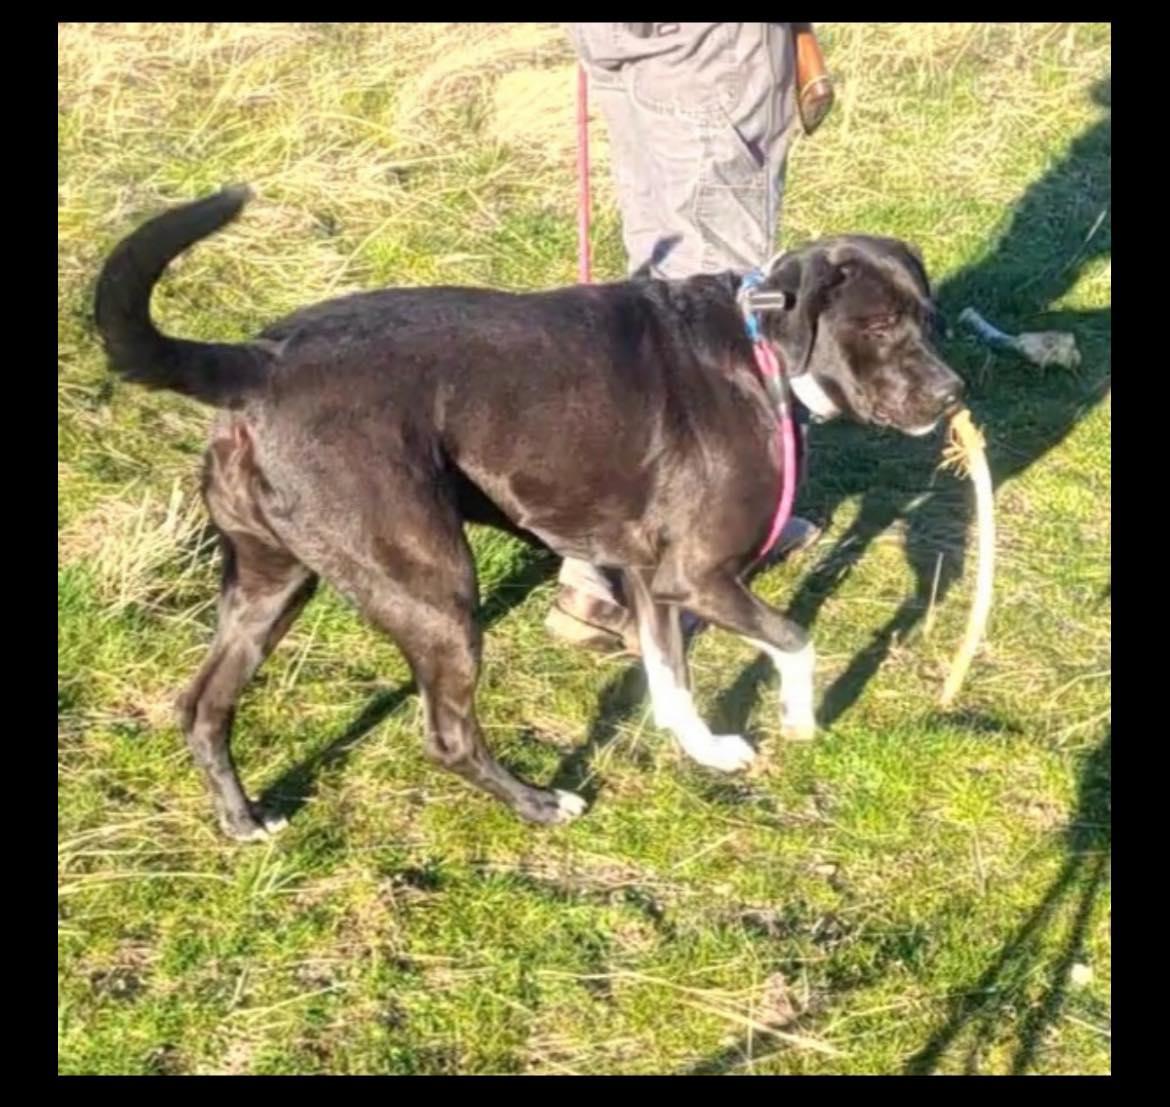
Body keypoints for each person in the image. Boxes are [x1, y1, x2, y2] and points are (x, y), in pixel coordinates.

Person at [548, 22, 823, 653]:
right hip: (708, 51)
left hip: (634, 43)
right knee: (713, 312)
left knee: (660, 294)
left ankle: (605, 560)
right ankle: (661, 555)